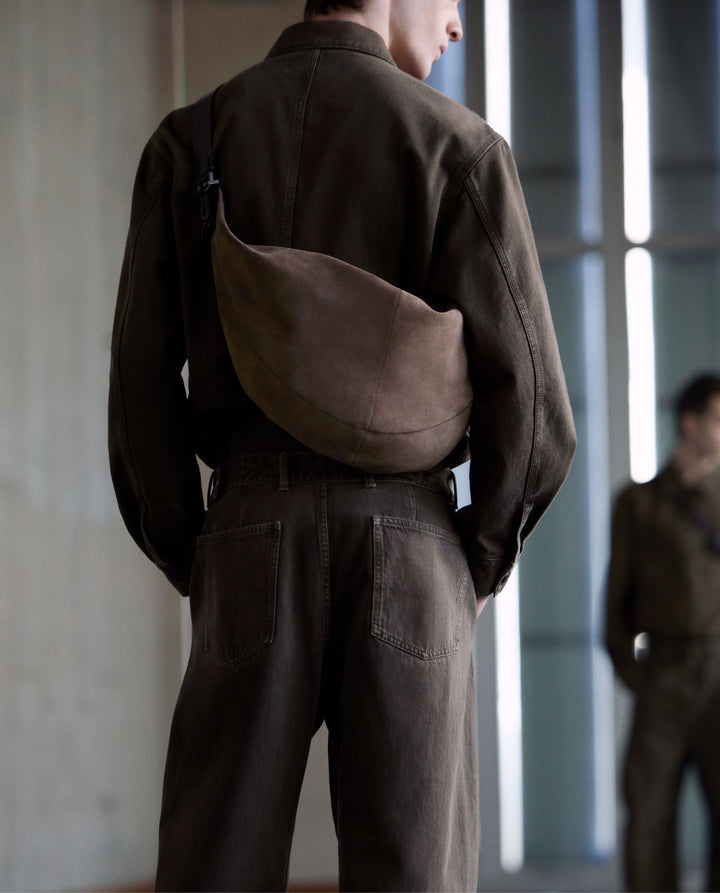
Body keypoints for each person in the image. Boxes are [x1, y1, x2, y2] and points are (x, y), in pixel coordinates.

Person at [109, 1, 575, 889]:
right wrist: (475, 560)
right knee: (414, 872)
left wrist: (200, 552)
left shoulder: (190, 140)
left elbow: (138, 397)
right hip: (412, 544)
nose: (458, 27)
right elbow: (540, 414)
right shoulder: (460, 146)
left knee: (218, 865)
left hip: (247, 533)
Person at [605, 373, 720, 892]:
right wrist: (639, 678)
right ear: (690, 423)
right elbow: (615, 607)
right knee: (647, 821)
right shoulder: (640, 504)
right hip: (665, 675)